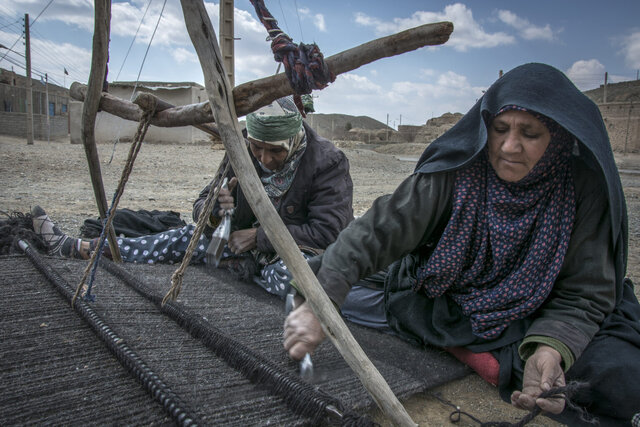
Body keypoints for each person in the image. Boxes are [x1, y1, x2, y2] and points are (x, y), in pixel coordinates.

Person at [283, 63, 640, 426]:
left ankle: (499, 352)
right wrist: (319, 304)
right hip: (448, 300)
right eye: (499, 129)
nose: (509, 146)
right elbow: (377, 231)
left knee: (616, 379)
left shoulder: (582, 190)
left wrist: (549, 348)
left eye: (530, 134)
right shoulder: (457, 170)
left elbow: (585, 291)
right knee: (336, 291)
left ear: (559, 137)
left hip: (537, 306)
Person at [32, 96, 354, 299]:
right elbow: (200, 204)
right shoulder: (242, 149)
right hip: (237, 246)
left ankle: (245, 267)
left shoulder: (326, 163)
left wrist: (259, 238)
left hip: (286, 253)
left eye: (275, 151)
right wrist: (217, 207)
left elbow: (329, 232)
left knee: (299, 283)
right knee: (183, 238)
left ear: (293, 140)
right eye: (258, 148)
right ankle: (81, 248)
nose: (264, 159)